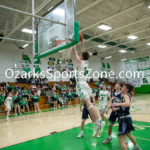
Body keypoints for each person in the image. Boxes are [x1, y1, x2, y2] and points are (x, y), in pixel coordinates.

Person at [72, 33, 101, 137]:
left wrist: (74, 41)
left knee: (89, 104)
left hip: (81, 83)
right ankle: (98, 122)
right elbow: (83, 51)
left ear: (82, 56)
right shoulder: (86, 62)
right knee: (90, 105)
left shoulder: (80, 62)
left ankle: (98, 122)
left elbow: (74, 51)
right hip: (86, 84)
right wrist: (82, 42)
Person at [112, 84, 141, 150]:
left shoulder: (126, 96)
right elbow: (124, 107)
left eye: (123, 87)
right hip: (126, 119)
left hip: (124, 120)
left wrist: (117, 104)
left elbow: (128, 104)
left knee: (121, 141)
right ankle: (137, 147)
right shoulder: (124, 96)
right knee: (129, 135)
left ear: (126, 89)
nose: (121, 88)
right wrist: (116, 109)